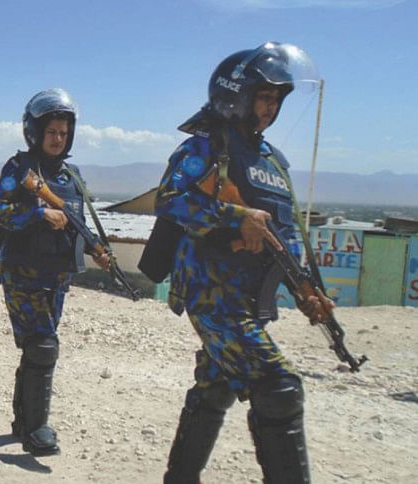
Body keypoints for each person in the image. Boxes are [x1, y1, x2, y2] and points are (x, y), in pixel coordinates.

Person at [153, 43, 332, 483]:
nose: (270, 108)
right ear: (237, 95)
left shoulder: (274, 163)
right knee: (278, 388)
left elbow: (286, 236)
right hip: (212, 295)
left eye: (276, 99)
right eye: (263, 97)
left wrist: (307, 290)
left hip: (249, 298)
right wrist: (236, 217)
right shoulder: (206, 146)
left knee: (215, 388)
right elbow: (170, 199)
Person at [0, 88, 110, 456]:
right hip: (23, 273)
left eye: (64, 133)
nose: (58, 139)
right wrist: (37, 214)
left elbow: (77, 223)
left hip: (57, 276)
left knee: (37, 347)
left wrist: (96, 249)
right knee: (43, 346)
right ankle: (37, 430)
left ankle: (24, 421)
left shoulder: (72, 177)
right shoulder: (20, 169)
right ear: (35, 133)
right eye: (52, 132)